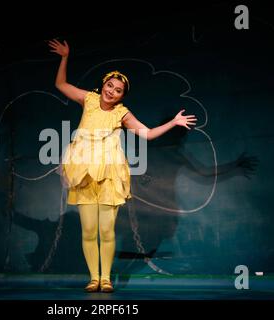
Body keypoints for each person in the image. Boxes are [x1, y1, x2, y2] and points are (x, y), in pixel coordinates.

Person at [48, 39, 197, 292]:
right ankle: (93, 278)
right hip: (83, 172)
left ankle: (105, 279)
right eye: (109, 86)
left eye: (118, 90)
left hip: (108, 174)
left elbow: (147, 134)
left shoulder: (122, 113)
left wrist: (173, 123)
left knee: (106, 230)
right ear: (103, 85)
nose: (112, 91)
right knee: (88, 230)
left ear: (122, 95)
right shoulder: (89, 100)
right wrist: (65, 57)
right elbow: (60, 84)